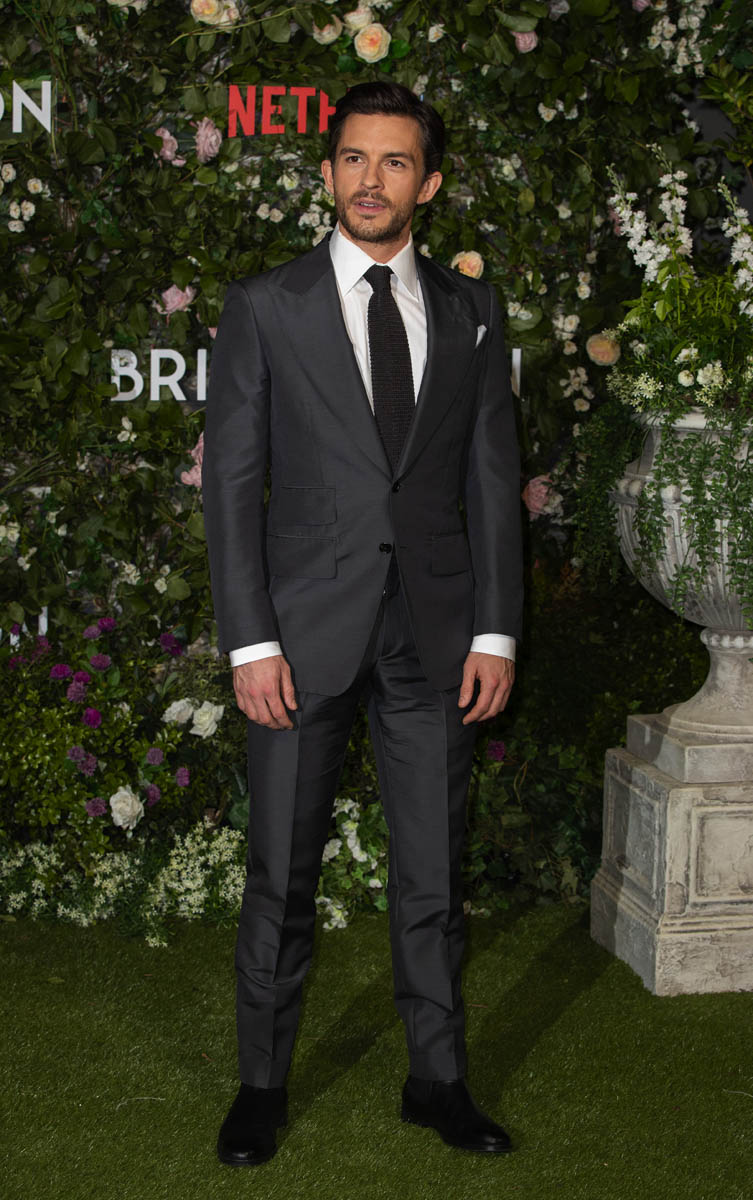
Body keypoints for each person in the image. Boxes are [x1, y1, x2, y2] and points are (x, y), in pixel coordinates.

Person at [202, 80, 524, 1167]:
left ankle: (438, 1080)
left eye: (394, 162)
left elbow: (491, 478)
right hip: (299, 640)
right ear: (328, 170)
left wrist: (496, 631)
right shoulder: (267, 305)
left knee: (432, 876)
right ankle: (261, 1086)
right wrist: (250, 642)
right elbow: (232, 485)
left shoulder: (473, 312)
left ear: (427, 183)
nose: (370, 180)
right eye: (352, 158)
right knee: (280, 877)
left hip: (436, 637)